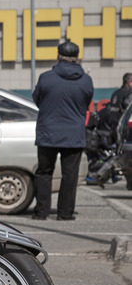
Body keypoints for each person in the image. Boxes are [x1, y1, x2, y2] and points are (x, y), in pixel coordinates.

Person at [31, 41, 94, 220]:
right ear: (77, 58)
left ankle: (41, 212)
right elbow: (86, 101)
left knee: (44, 172)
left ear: (58, 56)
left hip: (48, 132)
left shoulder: (46, 77)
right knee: (70, 175)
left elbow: (37, 100)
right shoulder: (86, 80)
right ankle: (65, 213)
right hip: (74, 133)